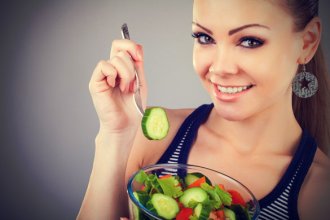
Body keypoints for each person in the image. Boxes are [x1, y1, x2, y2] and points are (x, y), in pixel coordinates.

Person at [77, 0, 330, 219]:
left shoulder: (319, 193)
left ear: (307, 43)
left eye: (250, 41)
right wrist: (116, 134)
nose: (220, 68)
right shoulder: (152, 140)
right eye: (205, 38)